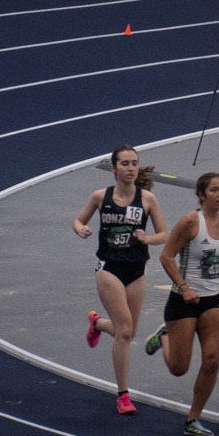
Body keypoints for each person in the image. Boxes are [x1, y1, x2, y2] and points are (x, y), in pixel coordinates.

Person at [143, 172, 219, 436]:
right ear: (202, 195)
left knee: (212, 360)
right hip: (184, 300)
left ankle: (193, 419)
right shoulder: (191, 221)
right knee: (179, 368)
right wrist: (185, 287)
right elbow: (166, 257)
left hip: (213, 299)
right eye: (214, 190)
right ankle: (164, 336)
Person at [72, 145, 167, 415]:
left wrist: (148, 238)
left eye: (134, 163)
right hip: (109, 268)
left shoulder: (147, 199)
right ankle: (123, 395)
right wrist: (82, 229)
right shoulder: (101, 197)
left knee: (128, 332)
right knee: (125, 331)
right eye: (124, 163)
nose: (130, 168)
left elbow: (164, 234)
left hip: (137, 270)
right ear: (114, 169)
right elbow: (78, 220)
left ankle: (98, 324)